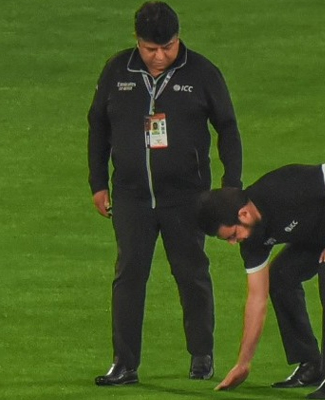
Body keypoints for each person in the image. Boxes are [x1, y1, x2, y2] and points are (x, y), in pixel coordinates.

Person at [87, 1, 243, 386]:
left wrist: (232, 187)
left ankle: (202, 355)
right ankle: (124, 364)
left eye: (167, 47)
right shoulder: (116, 71)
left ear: (178, 39)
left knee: (191, 275)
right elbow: (97, 126)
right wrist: (97, 183)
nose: (159, 57)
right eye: (150, 48)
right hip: (131, 195)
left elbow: (228, 128)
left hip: (186, 197)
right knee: (129, 276)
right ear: (136, 41)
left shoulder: (203, 73)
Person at [196, 162, 325, 399]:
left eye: (232, 235)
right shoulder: (251, 240)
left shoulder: (281, 188)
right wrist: (243, 363)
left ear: (244, 214)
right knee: (281, 277)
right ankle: (311, 364)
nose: (233, 242)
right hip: (320, 230)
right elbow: (256, 299)